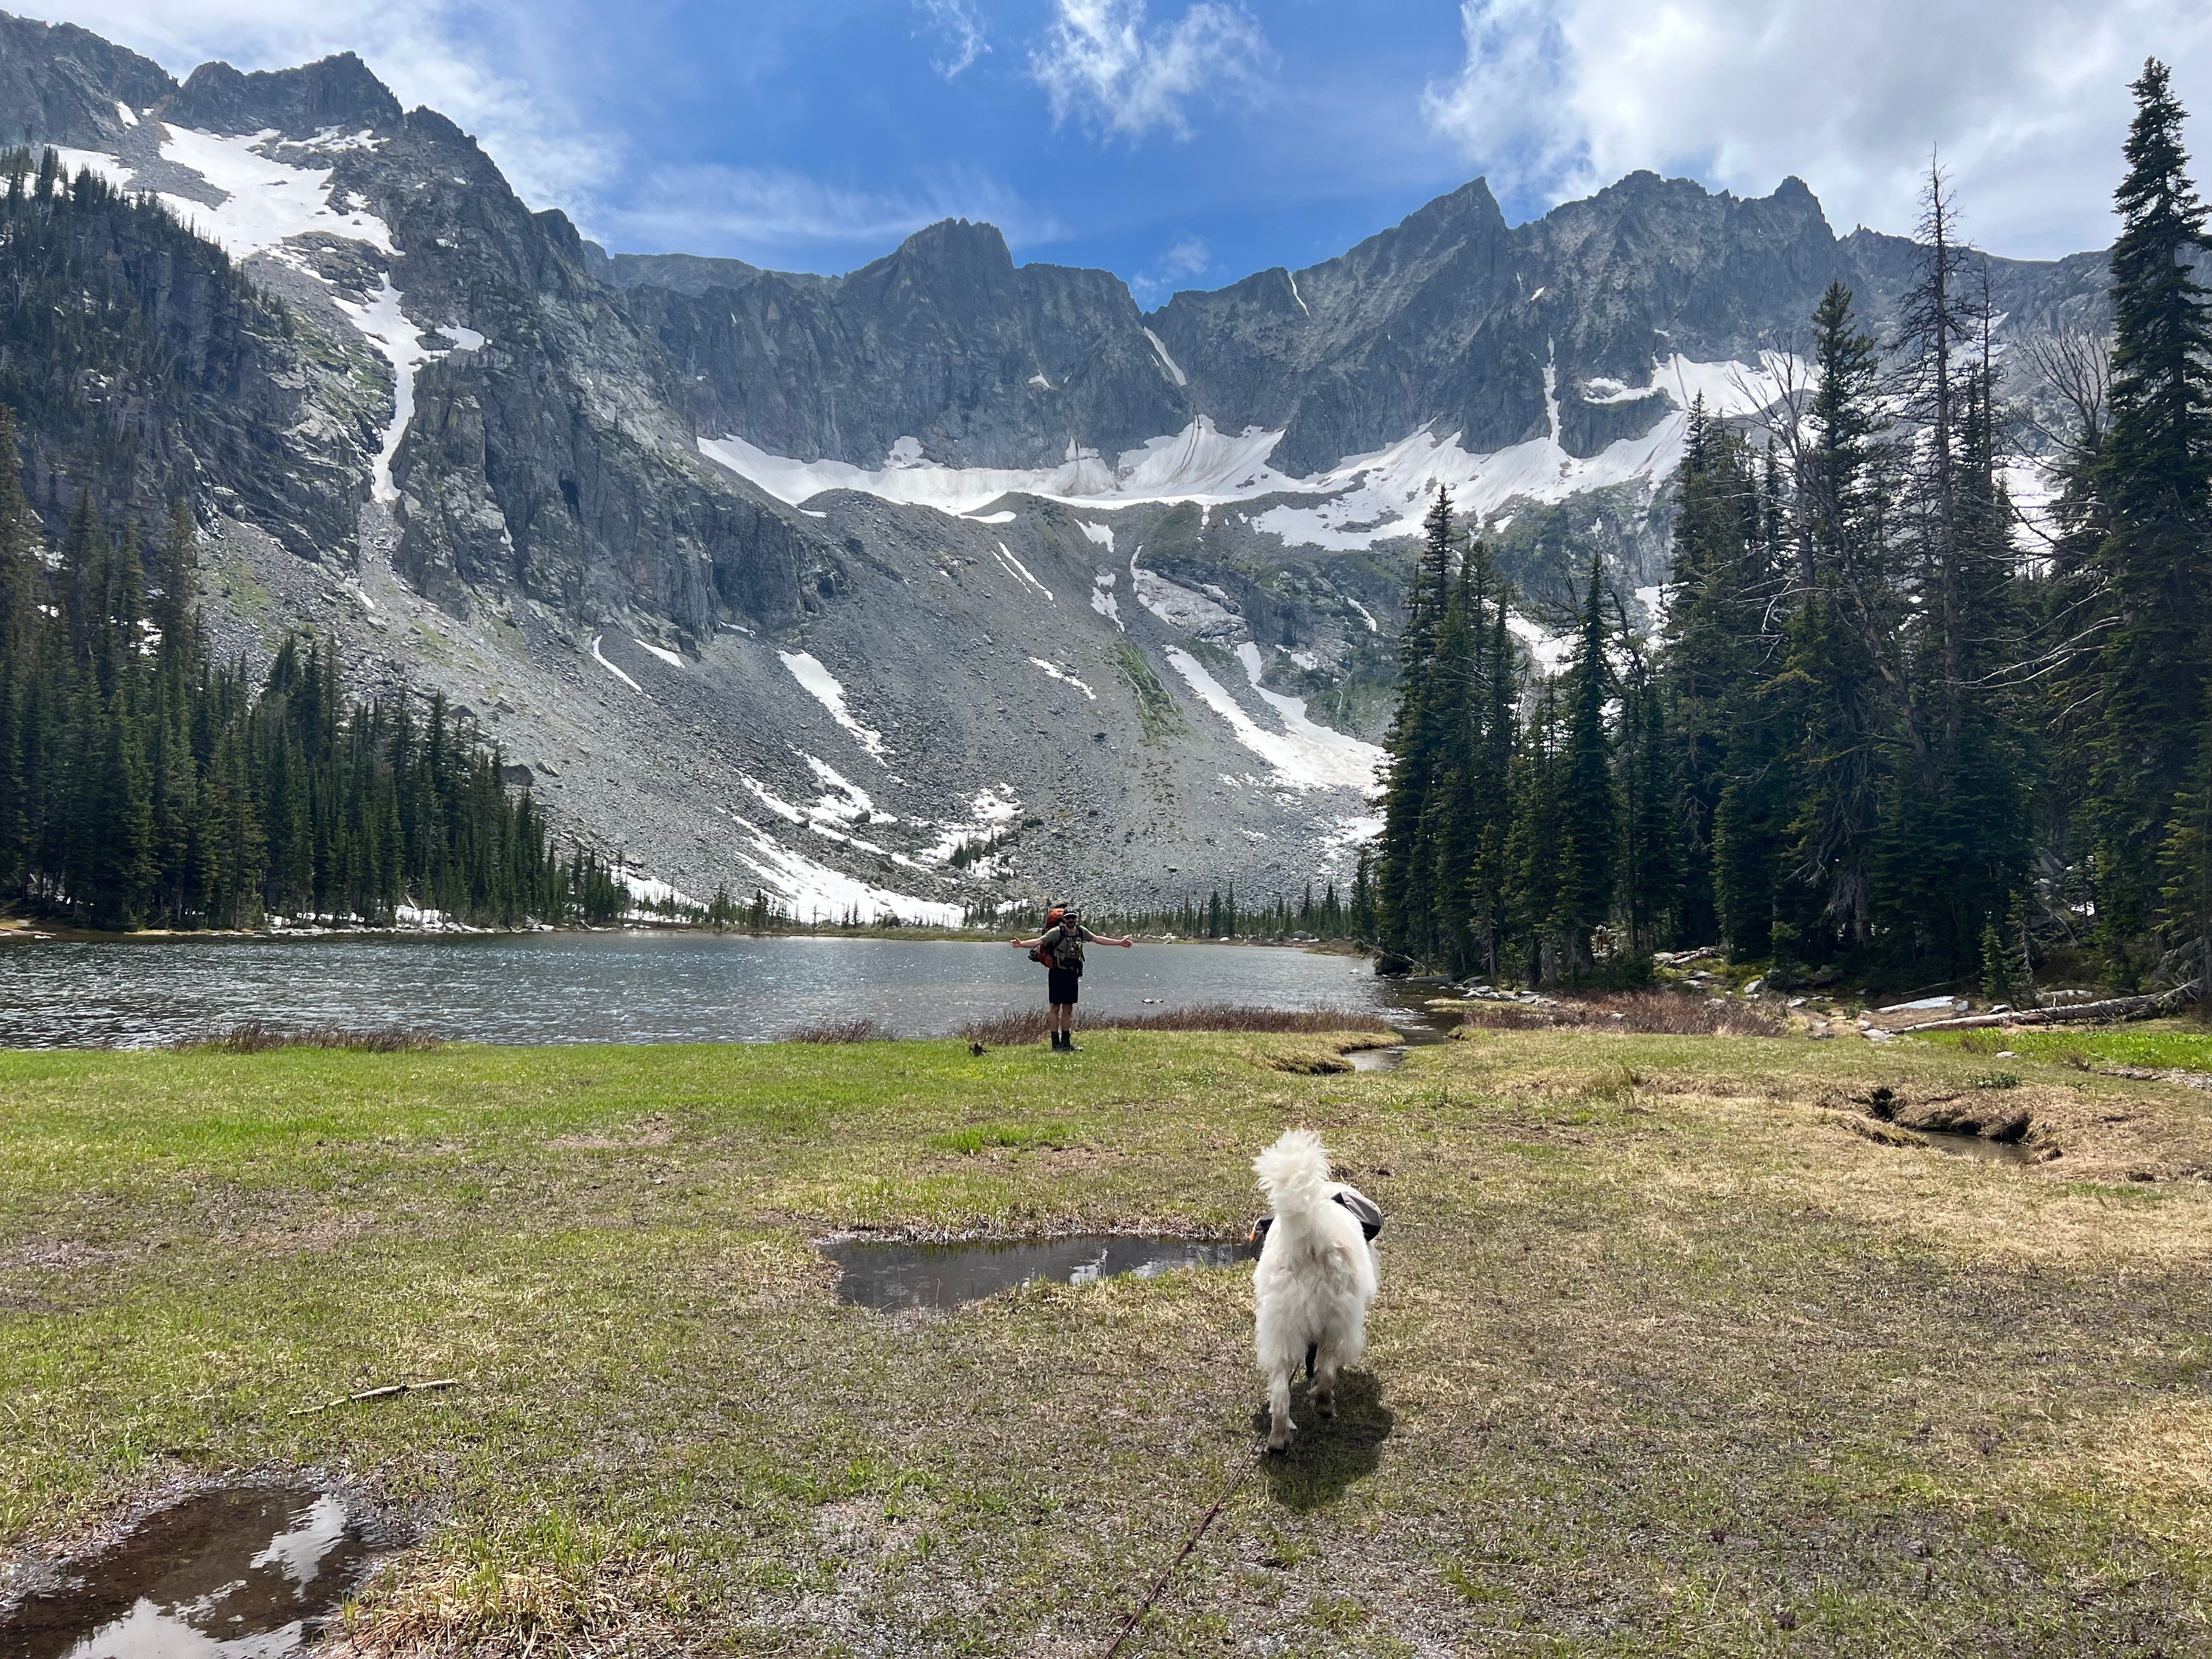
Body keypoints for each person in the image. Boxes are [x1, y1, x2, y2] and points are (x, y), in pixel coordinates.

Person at [1009, 902, 1133, 1050]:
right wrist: (1021, 944)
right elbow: (1038, 941)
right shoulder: (1056, 932)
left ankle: (1066, 1043)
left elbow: (1099, 939)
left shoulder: (1081, 932)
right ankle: (1056, 1044)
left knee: (1068, 1008)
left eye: (1073, 917)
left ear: (1077, 918)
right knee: (1055, 1007)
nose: (1070, 920)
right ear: (1064, 918)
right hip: (1057, 972)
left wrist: (1120, 943)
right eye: (1068, 918)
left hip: (1072, 973)